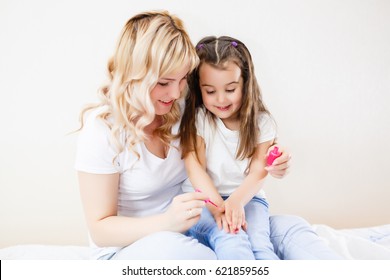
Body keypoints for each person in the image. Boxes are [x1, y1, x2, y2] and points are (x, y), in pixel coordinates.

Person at [75, 10, 340, 260]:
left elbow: (236, 134)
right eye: (164, 83)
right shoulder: (101, 129)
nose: (177, 93)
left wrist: (276, 160)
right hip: (134, 245)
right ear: (135, 77)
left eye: (183, 80)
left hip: (198, 221)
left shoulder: (179, 107)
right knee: (193, 252)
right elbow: (100, 230)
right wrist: (167, 222)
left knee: (290, 229)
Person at [180, 36, 282, 259]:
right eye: (210, 91)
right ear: (199, 88)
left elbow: (258, 171)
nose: (221, 99)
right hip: (205, 199)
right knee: (232, 238)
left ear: (245, 82)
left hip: (249, 198)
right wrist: (218, 208)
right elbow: (196, 170)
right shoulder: (200, 119)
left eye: (230, 89)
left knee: (260, 245)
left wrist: (236, 202)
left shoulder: (263, 123)